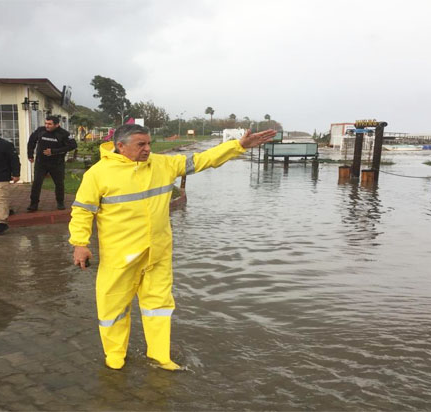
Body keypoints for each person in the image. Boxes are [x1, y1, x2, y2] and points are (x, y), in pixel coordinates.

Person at [69, 124, 276, 370]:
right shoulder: (98, 173)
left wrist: (237, 146)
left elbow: (201, 160)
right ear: (120, 146)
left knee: (158, 306)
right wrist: (80, 243)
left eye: (149, 144)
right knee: (113, 307)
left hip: (158, 252)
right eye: (141, 145)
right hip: (120, 254)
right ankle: (115, 354)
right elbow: (83, 210)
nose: (147, 149)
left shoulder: (162, 165)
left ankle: (159, 355)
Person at [26, 115, 77, 211]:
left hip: (56, 163)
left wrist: (54, 151)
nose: (47, 126)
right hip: (41, 163)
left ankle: (60, 202)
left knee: (59, 183)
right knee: (36, 183)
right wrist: (30, 154)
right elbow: (32, 141)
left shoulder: (64, 134)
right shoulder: (40, 130)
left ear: (57, 125)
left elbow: (73, 145)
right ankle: (33, 204)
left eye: (49, 124)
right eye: (46, 123)